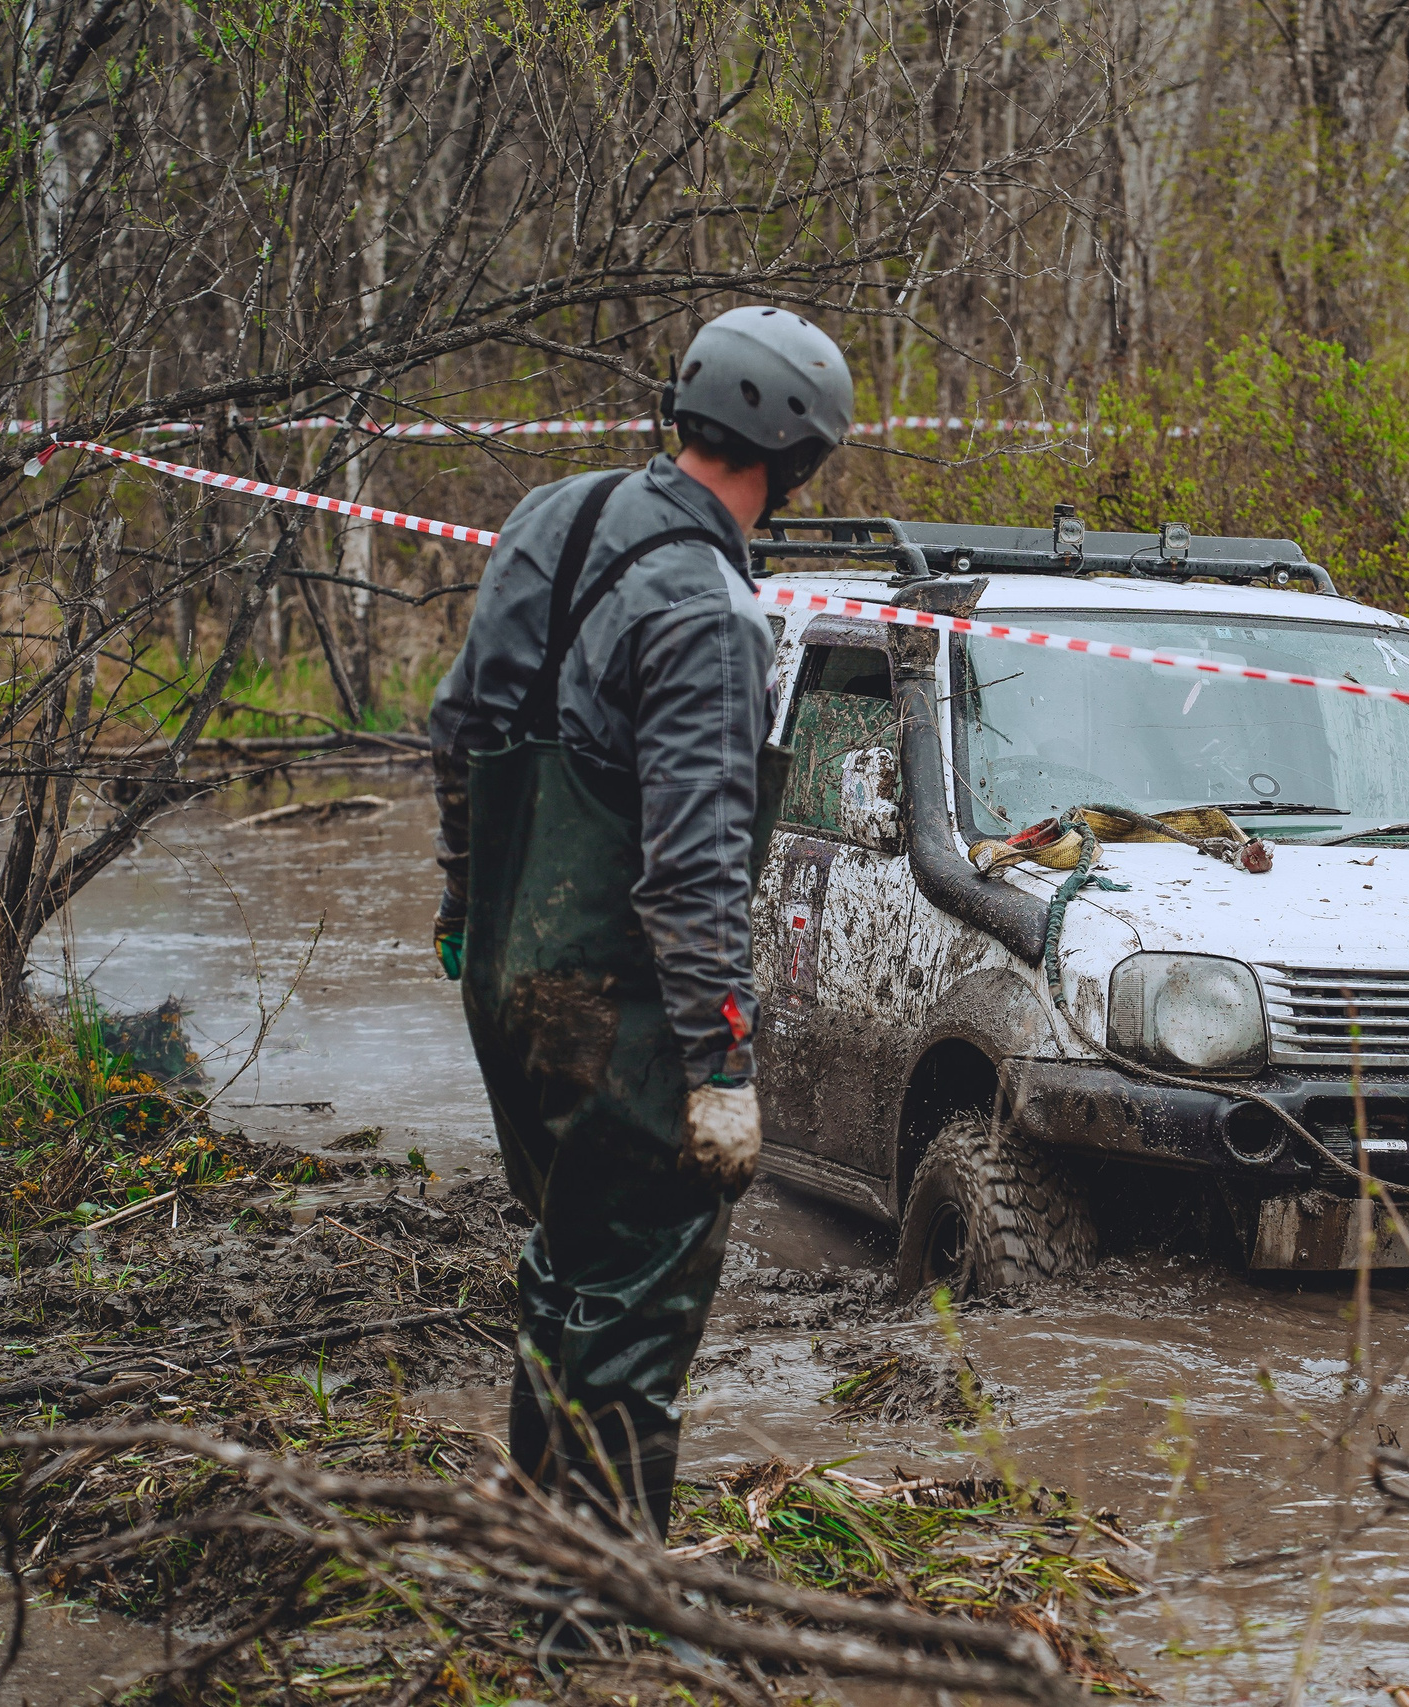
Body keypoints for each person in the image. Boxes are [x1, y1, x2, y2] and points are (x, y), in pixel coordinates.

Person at [427, 306, 852, 1537]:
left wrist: (463, 901)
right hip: (620, 1001)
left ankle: (537, 1547)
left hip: (506, 968)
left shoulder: (552, 514)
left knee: (569, 1254)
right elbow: (695, 866)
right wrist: (722, 1066)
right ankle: (604, 1604)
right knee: (637, 1294)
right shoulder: (713, 613)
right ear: (798, 457)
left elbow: (459, 729)